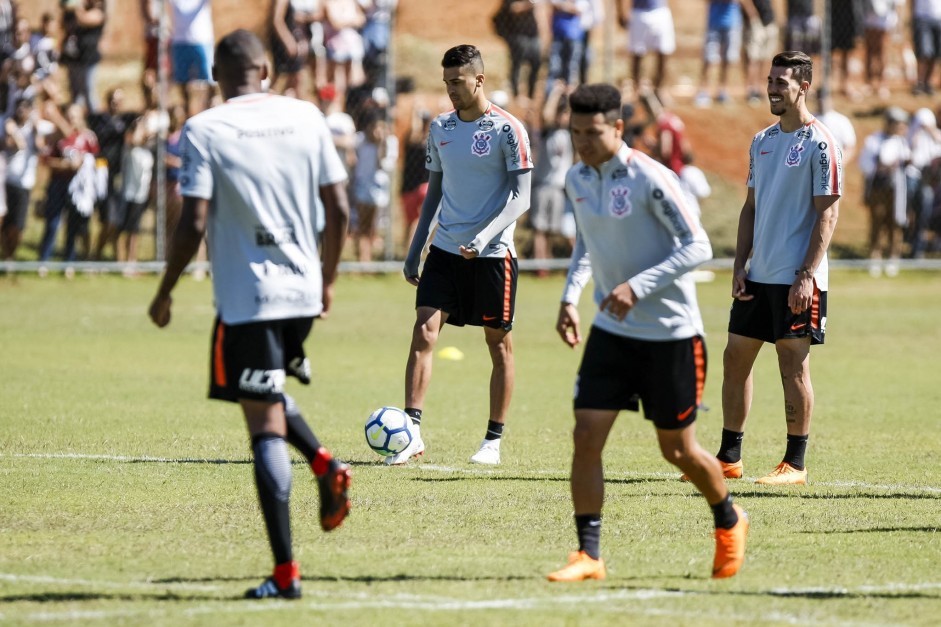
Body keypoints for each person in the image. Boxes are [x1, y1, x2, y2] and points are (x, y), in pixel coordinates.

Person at [148, 29, 352, 600]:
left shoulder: (206, 128)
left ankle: (286, 574)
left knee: (260, 421)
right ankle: (323, 463)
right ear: (266, 66)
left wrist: (165, 289)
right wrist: (329, 278)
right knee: (263, 392)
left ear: (217, 73)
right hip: (303, 291)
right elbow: (338, 207)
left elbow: (192, 222)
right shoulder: (308, 116)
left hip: (249, 298)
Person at [546, 82, 747, 583]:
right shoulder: (576, 177)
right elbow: (587, 244)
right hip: (612, 332)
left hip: (671, 336)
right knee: (586, 435)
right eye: (575, 133)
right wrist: (571, 296)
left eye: (592, 133)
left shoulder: (650, 178)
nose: (583, 144)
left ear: (617, 128)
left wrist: (638, 286)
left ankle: (729, 517)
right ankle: (588, 555)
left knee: (677, 450)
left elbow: (698, 246)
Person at [396, 44, 533, 466]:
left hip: (491, 256)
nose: (452, 90)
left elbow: (521, 198)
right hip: (444, 251)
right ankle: (410, 432)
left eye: (458, 82)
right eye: (447, 83)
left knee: (499, 346)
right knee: (424, 331)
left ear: (479, 79)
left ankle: (492, 441)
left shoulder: (508, 130)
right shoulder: (441, 129)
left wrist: (485, 236)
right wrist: (415, 249)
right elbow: (433, 194)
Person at [715, 51, 841, 486]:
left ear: (803, 87)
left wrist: (806, 274)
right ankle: (729, 457)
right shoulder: (762, 140)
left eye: (781, 83)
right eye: (770, 80)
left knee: (793, 366)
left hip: (796, 279)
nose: (772, 88)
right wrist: (738, 264)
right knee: (735, 358)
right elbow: (750, 208)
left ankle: (795, 464)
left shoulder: (820, 142)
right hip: (758, 274)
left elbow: (827, 215)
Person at [859, 106, 910, 277]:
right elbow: (865, 164)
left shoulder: (902, 142)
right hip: (878, 188)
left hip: (896, 189)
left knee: (895, 223)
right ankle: (875, 257)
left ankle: (893, 258)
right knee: (877, 222)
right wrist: (880, 167)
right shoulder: (874, 140)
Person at [530, 81, 573, 273]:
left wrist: (571, 96)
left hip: (560, 187)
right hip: (543, 185)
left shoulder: (571, 133)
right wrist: (555, 93)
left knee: (555, 229)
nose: (561, 117)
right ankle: (541, 268)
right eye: (560, 113)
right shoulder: (549, 131)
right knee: (540, 229)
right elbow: (546, 115)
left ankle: (553, 263)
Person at [617, 0, 676, 94]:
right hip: (638, 12)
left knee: (664, 52)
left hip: (660, 11)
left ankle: (659, 89)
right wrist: (620, 12)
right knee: (637, 54)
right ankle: (637, 90)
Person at [168, 0, 215, 117]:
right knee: (182, 80)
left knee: (210, 78)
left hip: (202, 39)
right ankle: (187, 113)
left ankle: (208, 111)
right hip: (179, 40)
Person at [59, 0, 106, 112]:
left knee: (89, 93)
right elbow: (63, 25)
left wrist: (76, 5)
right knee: (75, 94)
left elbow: (83, 19)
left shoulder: (98, 12)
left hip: (88, 59)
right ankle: (78, 123)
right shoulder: (76, 13)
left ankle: (96, 121)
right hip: (75, 58)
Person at [695, 0, 742, 107]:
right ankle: (703, 91)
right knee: (709, 58)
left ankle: (723, 91)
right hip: (714, 22)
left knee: (728, 58)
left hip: (733, 22)